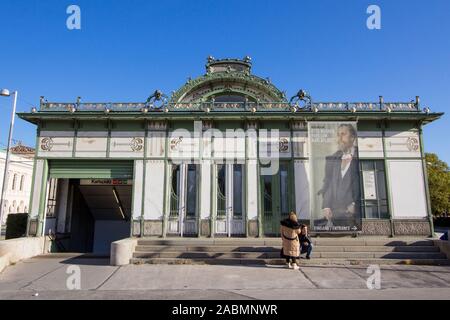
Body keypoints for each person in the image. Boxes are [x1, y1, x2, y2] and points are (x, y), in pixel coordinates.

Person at [318, 123, 361, 229]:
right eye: (338, 135)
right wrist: (326, 205)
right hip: (335, 213)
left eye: (343, 134)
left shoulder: (361, 156)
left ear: (352, 137)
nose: (339, 138)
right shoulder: (333, 158)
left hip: (354, 214)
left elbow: (364, 182)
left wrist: (356, 204)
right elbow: (327, 183)